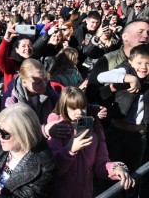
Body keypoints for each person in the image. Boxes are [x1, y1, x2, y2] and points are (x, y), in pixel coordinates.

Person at [46, 86, 135, 198]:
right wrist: (70, 150)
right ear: (64, 108)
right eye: (73, 108)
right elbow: (53, 169)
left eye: (82, 107)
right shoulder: (57, 128)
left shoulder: (95, 127)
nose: (79, 112)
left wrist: (116, 168)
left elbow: (101, 163)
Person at [96, 44, 149, 195]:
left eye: (148, 63)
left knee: (133, 176)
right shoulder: (126, 70)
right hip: (117, 131)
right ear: (131, 62)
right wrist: (129, 78)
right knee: (109, 173)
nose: (143, 67)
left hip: (138, 134)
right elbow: (102, 77)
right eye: (139, 63)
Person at [86, 19, 149, 108]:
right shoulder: (108, 59)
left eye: (148, 33)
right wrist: (113, 87)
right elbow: (90, 95)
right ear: (125, 37)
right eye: (140, 32)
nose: (146, 36)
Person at [4, 58, 59, 125]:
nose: (44, 85)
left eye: (45, 79)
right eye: (38, 82)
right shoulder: (11, 101)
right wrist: (45, 130)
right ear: (24, 82)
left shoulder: (51, 92)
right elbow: (18, 129)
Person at [0, 23, 34, 91]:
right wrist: (6, 39)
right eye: (23, 46)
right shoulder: (12, 63)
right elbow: (0, 59)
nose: (27, 48)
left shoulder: (35, 63)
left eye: (29, 45)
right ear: (16, 50)